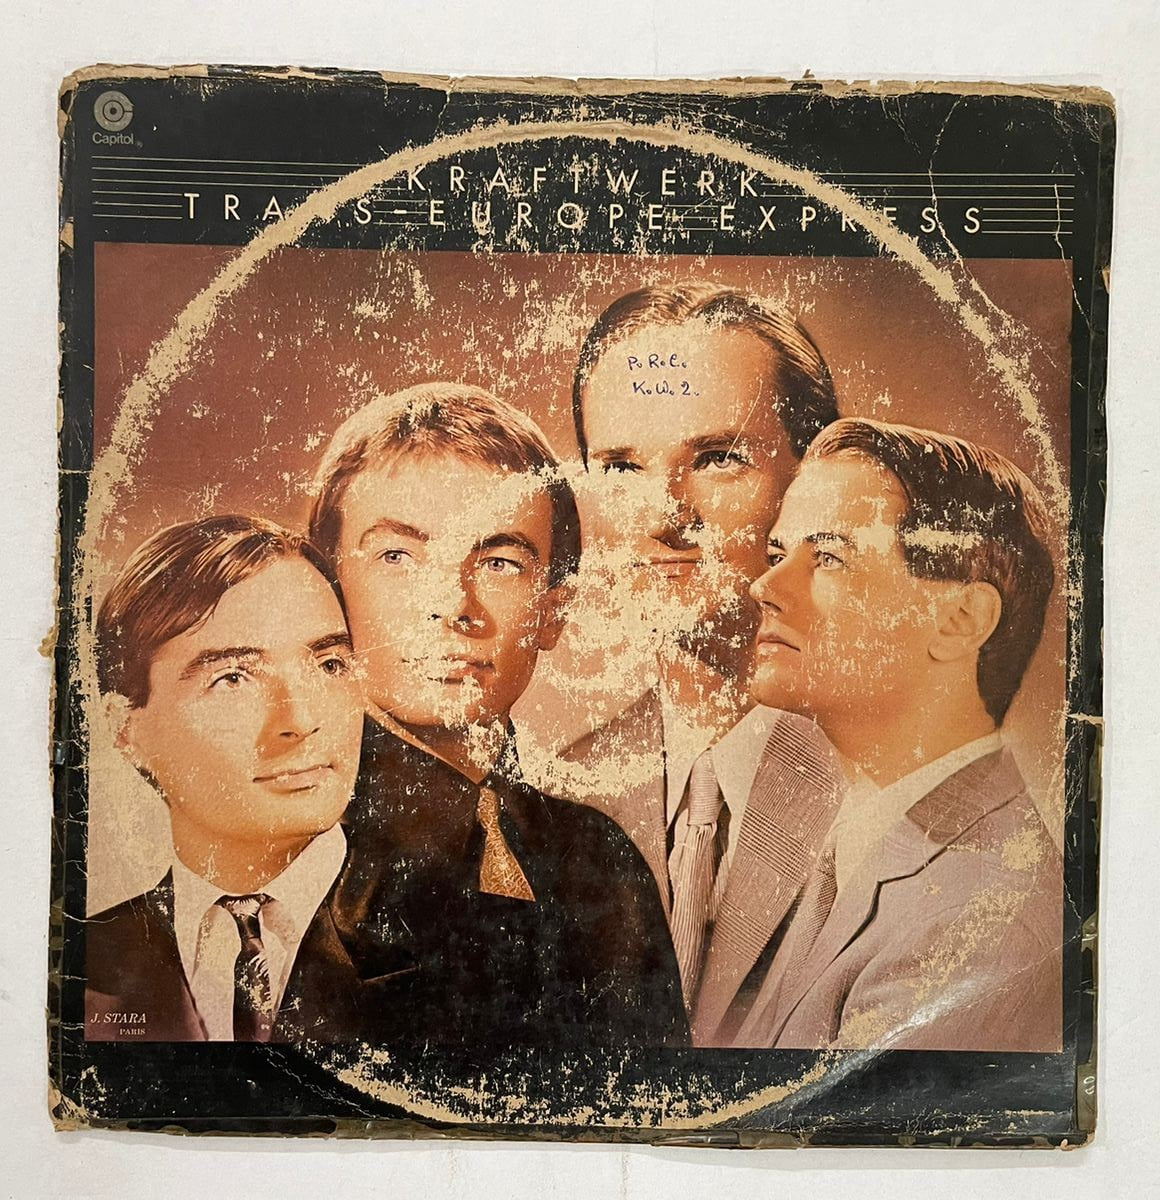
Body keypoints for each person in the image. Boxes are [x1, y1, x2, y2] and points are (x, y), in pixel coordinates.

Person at [308, 382, 686, 1047]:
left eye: (499, 562)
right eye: (398, 557)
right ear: (328, 590)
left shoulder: (601, 863)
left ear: (554, 612)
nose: (452, 606)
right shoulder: (294, 852)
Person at [730, 418, 1062, 1052]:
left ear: (961, 619)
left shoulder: (978, 926)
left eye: (829, 557)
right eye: (778, 554)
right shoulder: (850, 830)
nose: (764, 586)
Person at [556, 282, 842, 1018]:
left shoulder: (882, 782)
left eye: (718, 457)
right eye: (621, 468)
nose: (663, 516)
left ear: (813, 483)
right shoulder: (557, 794)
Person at [86, 515, 420, 1043]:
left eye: (329, 665)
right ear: (127, 730)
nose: (301, 719)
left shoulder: (473, 939)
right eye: (233, 678)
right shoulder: (81, 961)